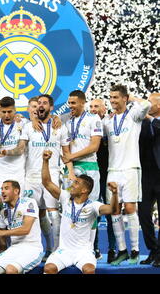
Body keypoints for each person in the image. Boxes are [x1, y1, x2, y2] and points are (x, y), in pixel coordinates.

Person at [1, 94, 73, 258]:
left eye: (44, 103)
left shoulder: (60, 126)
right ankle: (41, 248)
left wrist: (72, 173)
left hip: (52, 175)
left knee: (53, 212)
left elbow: (67, 154)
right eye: (38, 103)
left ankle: (56, 250)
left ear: (51, 107)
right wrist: (8, 151)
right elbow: (20, 148)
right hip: (31, 176)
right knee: (36, 214)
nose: (40, 106)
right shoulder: (28, 126)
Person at [41, 150, 118, 274]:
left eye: (76, 183)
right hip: (64, 250)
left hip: (83, 252)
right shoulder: (65, 197)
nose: (72, 184)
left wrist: (115, 193)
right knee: (49, 268)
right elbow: (47, 182)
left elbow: (112, 209)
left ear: (84, 190)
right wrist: (45, 161)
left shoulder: (93, 206)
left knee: (89, 270)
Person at [103, 84, 151, 265]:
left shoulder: (133, 116)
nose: (113, 101)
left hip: (130, 168)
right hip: (113, 170)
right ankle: (122, 250)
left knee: (130, 209)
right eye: (111, 97)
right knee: (114, 210)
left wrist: (132, 99)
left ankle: (135, 250)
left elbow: (146, 104)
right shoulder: (108, 121)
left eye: (116, 97)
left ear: (124, 98)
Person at [62, 90, 103, 257]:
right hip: (70, 169)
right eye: (69, 103)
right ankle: (68, 247)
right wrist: (70, 167)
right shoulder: (66, 122)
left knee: (90, 209)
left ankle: (90, 248)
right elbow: (65, 150)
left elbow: (94, 146)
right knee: (68, 207)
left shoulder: (94, 119)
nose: (70, 106)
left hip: (89, 167)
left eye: (73, 103)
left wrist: (72, 156)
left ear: (82, 103)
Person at [0, 180, 43, 274]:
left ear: (16, 191)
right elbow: (1, 233)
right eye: (2, 189)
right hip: (14, 248)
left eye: (6, 188)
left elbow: (25, 229)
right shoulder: (3, 211)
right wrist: (2, 249)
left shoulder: (29, 202)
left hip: (32, 248)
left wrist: (2, 233)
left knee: (11, 270)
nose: (2, 191)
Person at [90, 98, 117, 262]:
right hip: (92, 173)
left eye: (96, 106)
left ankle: (113, 249)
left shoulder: (111, 123)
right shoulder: (86, 124)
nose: (93, 109)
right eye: (91, 106)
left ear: (104, 108)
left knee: (111, 212)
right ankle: (94, 248)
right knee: (93, 212)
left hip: (109, 173)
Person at [0, 96, 26, 196]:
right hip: (0, 176)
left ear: (15, 110)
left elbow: (21, 149)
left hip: (18, 175)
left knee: (18, 208)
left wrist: (7, 152)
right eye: (4, 112)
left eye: (10, 111)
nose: (7, 115)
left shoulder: (23, 123)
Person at [138, 93, 160, 267]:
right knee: (143, 213)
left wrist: (151, 119)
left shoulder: (153, 121)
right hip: (146, 175)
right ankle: (153, 249)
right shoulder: (143, 122)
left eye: (150, 103)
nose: (146, 105)